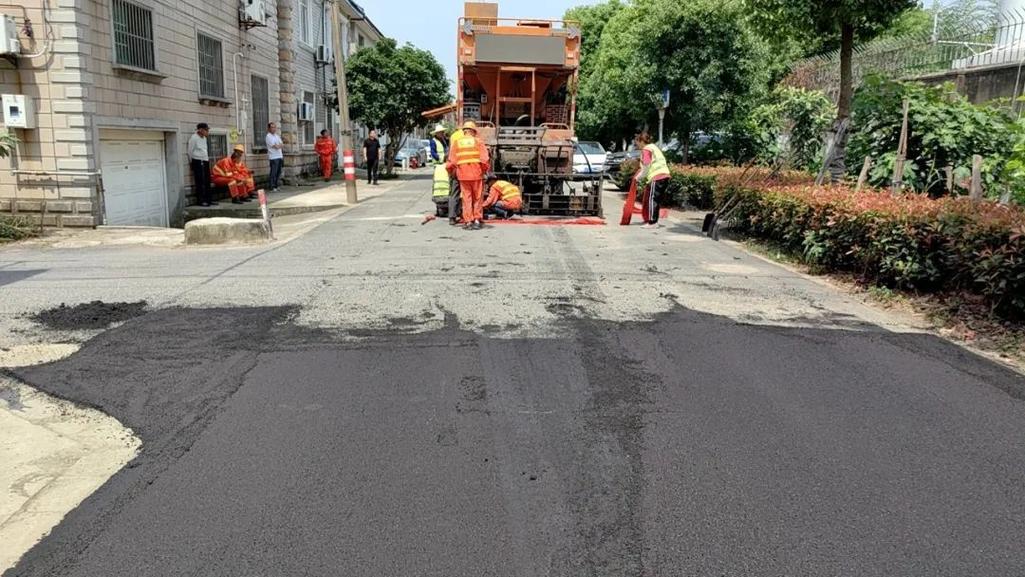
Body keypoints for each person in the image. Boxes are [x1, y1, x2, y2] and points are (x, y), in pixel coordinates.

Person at [446, 121, 490, 230]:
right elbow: (485, 160)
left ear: (464, 131)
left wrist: (451, 172)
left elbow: (451, 162)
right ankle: (477, 220)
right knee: (478, 198)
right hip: (477, 174)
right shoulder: (478, 142)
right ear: (473, 131)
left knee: (467, 199)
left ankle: (468, 221)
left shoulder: (457, 142)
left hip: (463, 175)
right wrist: (483, 171)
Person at [634, 132, 671, 228]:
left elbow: (646, 166)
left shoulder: (647, 149)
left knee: (652, 199)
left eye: (637, 142)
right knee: (655, 200)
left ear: (642, 141)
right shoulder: (654, 147)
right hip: (664, 175)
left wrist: (638, 177)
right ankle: (654, 220)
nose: (636, 145)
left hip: (657, 176)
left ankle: (652, 222)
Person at [188, 123, 215, 207]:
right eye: (206, 130)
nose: (207, 132)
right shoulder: (194, 138)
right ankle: (201, 200)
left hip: (205, 160)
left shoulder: (204, 139)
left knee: (207, 181)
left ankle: (209, 200)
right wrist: (191, 162)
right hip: (197, 161)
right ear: (200, 130)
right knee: (200, 181)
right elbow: (190, 151)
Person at [446, 126, 464, 225]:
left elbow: (451, 154)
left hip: (455, 168)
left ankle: (452, 217)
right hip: (466, 169)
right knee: (467, 193)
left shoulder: (454, 136)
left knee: (454, 193)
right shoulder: (469, 137)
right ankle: (466, 215)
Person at [266, 122, 284, 192]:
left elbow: (282, 144)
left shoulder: (277, 136)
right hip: (273, 157)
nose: (274, 129)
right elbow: (275, 146)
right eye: (272, 127)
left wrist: (279, 145)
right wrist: (278, 145)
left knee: (278, 172)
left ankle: (276, 185)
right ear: (269, 128)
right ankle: (271, 186)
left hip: (279, 156)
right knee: (273, 172)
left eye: (274, 127)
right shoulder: (268, 136)